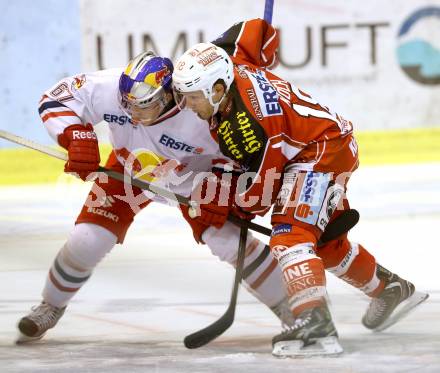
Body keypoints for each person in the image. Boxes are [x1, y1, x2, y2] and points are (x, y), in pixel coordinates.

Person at [171, 19, 429, 357]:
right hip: (313, 146)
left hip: (321, 153)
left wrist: (229, 204)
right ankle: (389, 289)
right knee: (322, 243)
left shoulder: (248, 129)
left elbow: (260, 194)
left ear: (218, 90)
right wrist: (248, 39)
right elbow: (253, 29)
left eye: (192, 97)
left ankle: (316, 325)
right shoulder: (229, 63)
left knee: (291, 234)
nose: (187, 105)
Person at [16, 47, 298, 343]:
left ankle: (296, 312)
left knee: (228, 243)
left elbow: (244, 157)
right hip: (129, 170)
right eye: (128, 106)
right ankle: (50, 305)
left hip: (194, 181)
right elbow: (56, 98)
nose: (133, 115)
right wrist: (75, 134)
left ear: (168, 97)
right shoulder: (112, 88)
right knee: (87, 239)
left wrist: (225, 185)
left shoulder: (200, 111)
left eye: (144, 107)